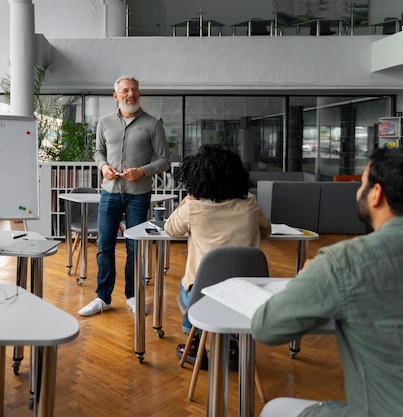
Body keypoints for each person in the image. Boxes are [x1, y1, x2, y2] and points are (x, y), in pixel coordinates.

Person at [252, 147, 403, 417]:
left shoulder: (345, 261)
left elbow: (266, 328)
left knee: (275, 409)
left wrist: (306, 279)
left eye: (363, 184)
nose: (358, 191)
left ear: (376, 194)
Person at [164, 145, 271, 367]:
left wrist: (185, 201)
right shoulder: (250, 203)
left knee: (188, 284)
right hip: (246, 294)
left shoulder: (193, 208)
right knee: (205, 287)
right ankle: (231, 343)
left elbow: (171, 229)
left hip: (203, 296)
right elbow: (266, 231)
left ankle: (194, 341)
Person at [78, 75, 171, 317]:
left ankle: (133, 296)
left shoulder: (152, 124)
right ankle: (102, 297)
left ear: (139, 94)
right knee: (104, 245)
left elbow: (164, 160)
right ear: (116, 95)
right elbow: (98, 152)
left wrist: (142, 171)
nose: (131, 94)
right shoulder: (104, 122)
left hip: (138, 195)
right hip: (109, 193)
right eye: (126, 90)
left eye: (135, 90)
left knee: (135, 247)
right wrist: (103, 166)